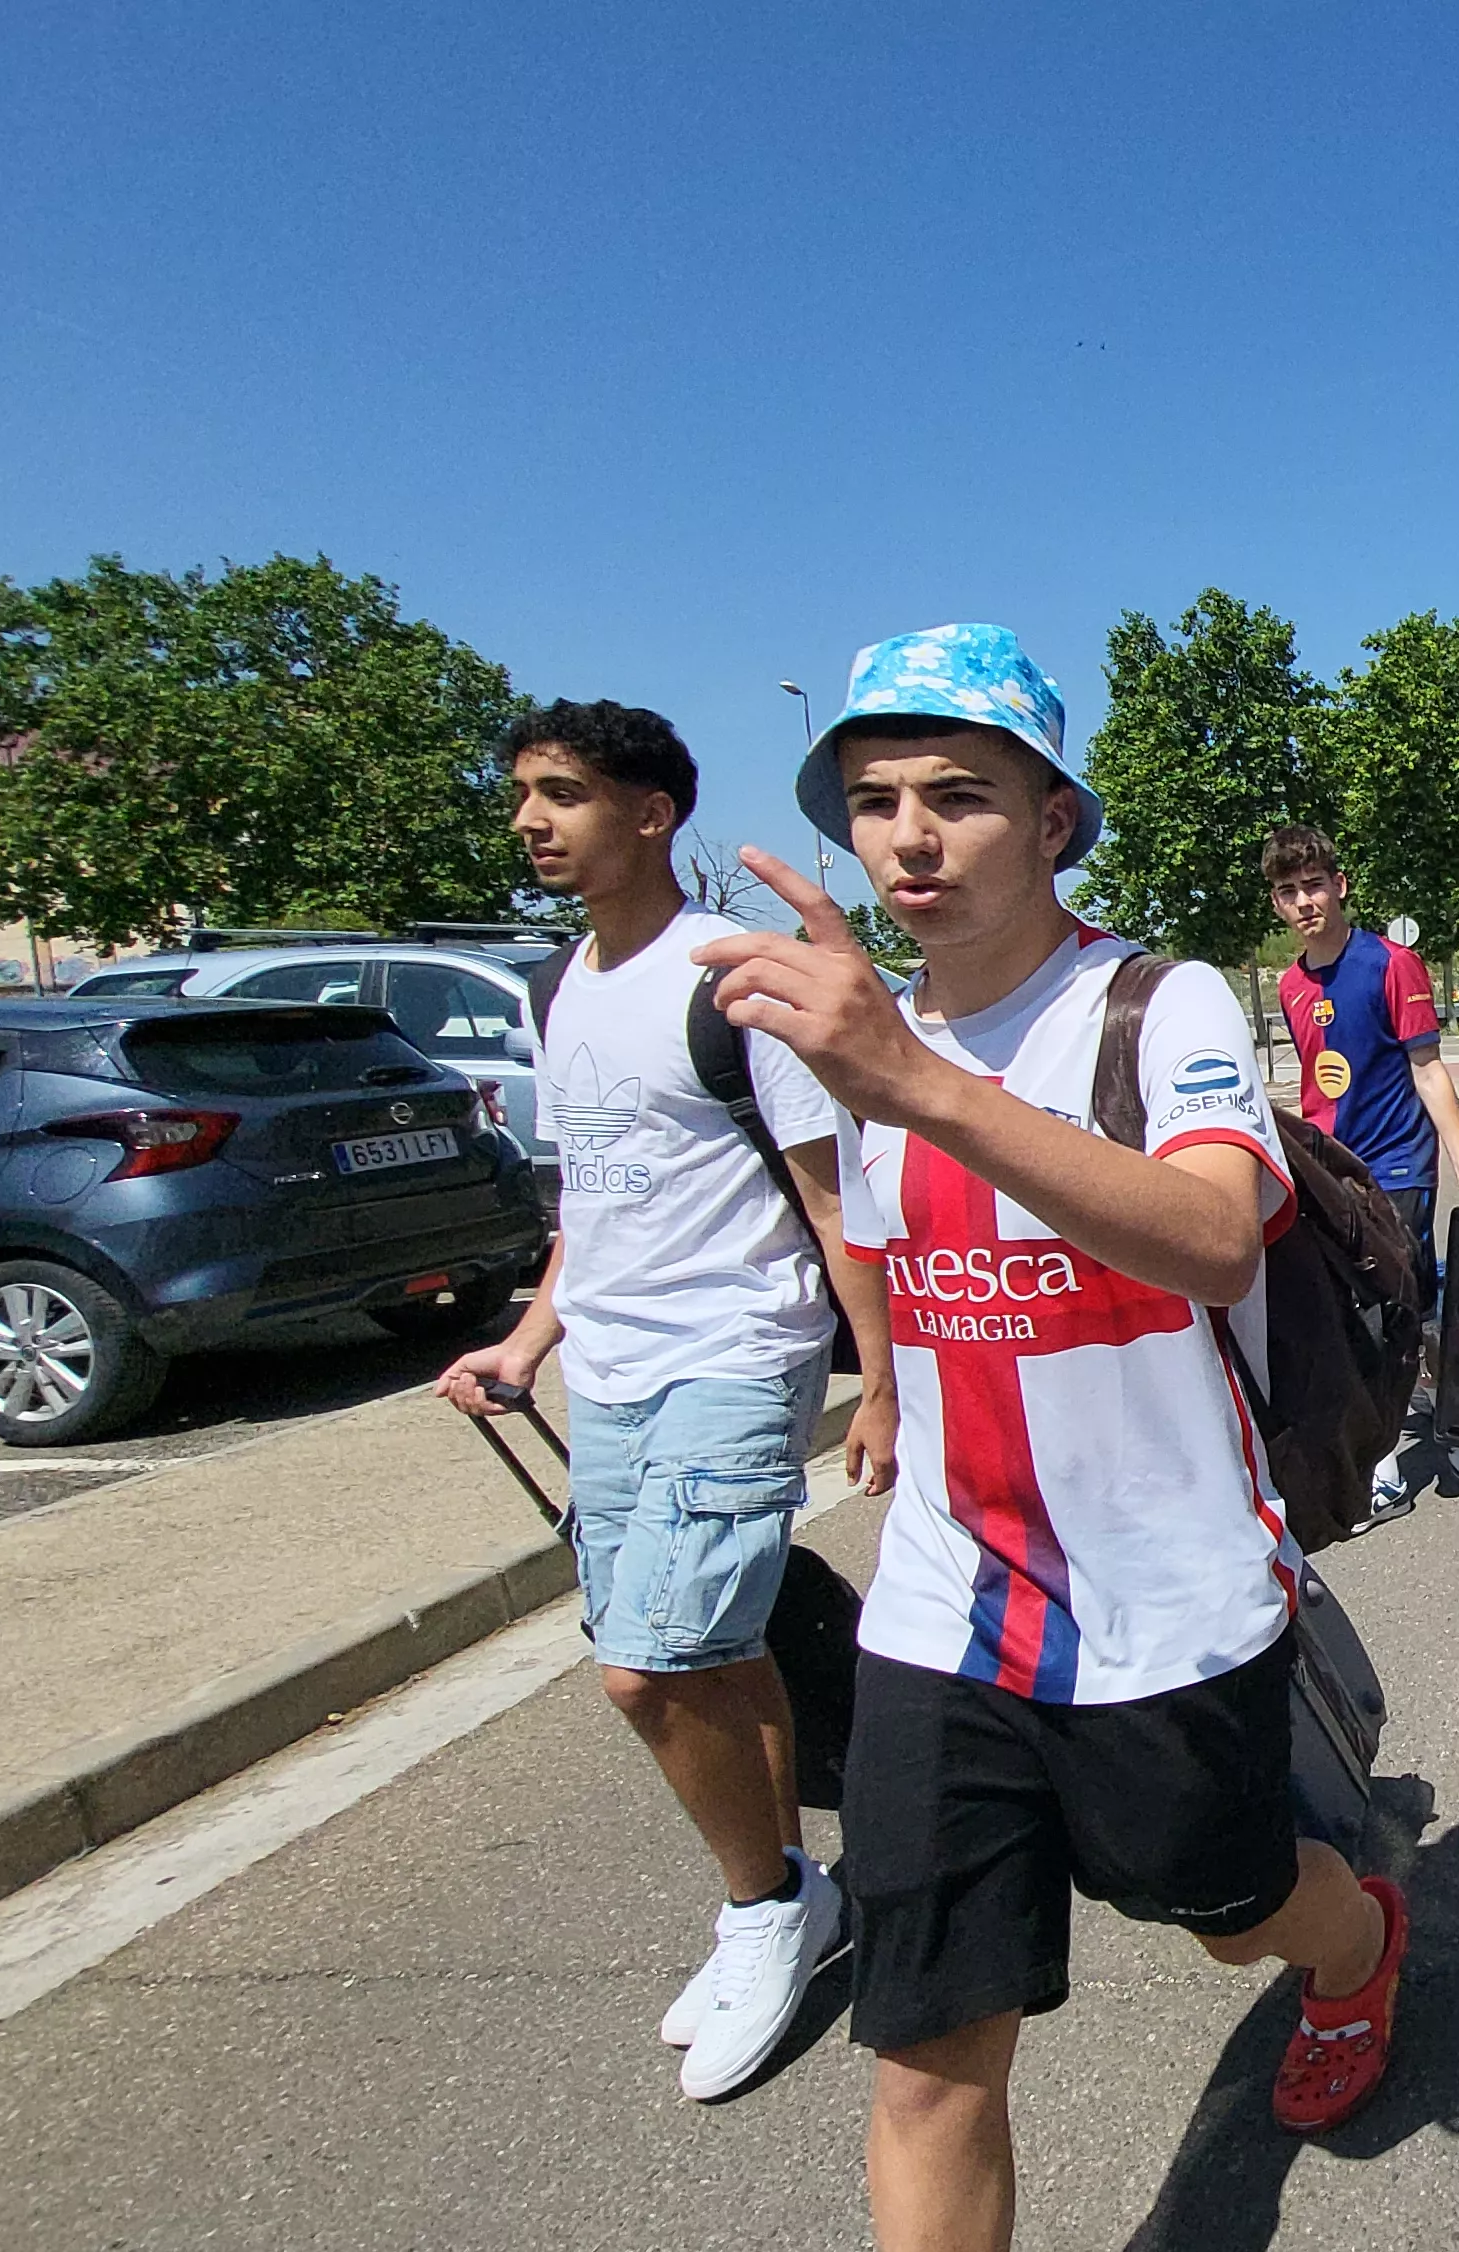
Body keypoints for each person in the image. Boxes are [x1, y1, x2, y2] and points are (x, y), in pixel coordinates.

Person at [692, 625, 1409, 2252]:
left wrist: (915, 1083)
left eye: (961, 793)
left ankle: (1357, 1941)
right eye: (876, 800)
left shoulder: (1155, 1008)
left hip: (1169, 1596)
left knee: (1227, 1913)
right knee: (930, 2069)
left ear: (1055, 818)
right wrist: (886, 1375)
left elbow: (1217, 1235)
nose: (911, 835)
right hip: (949, 1606)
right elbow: (886, 1248)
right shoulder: (864, 1040)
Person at [431, 699, 893, 2102]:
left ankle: (765, 1909)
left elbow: (832, 1197)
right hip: (614, 1375)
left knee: (648, 1664)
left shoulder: (729, 979)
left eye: (562, 793)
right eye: (523, 792)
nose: (531, 819)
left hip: (738, 1354)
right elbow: (595, 1201)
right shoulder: (560, 985)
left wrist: (884, 1382)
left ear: (652, 813)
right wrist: (526, 1341)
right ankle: (789, 1894)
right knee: (709, 1654)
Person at [1262, 824, 1459, 1500]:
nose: (1305, 901)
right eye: (1288, 891)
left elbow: (1428, 1072)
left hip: (1397, 1164)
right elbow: (1317, 1081)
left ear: (1340, 886)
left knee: (1377, 1302)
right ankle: (1440, 1383)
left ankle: (1387, 1459)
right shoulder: (1290, 986)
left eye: (1313, 885)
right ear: (1277, 904)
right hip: (1330, 1166)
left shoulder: (1392, 963)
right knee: (1385, 1298)